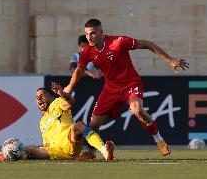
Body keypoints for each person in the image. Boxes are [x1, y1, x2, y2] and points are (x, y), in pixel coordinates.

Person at [64, 19, 189, 157]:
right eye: (87, 34)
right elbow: (79, 70)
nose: (89, 37)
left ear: (101, 32)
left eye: (93, 33)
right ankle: (92, 152)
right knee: (93, 126)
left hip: (130, 83)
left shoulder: (118, 42)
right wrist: (69, 87)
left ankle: (159, 140)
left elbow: (148, 44)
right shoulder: (87, 51)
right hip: (110, 88)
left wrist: (170, 60)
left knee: (138, 110)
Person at [0, 82, 114, 161]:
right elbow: (47, 142)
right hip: (53, 152)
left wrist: (62, 93)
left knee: (79, 125)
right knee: (22, 149)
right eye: (36, 98)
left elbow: (71, 102)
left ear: (50, 96)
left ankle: (104, 151)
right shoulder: (42, 121)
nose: (39, 99)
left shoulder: (57, 103)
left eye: (42, 96)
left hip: (69, 142)